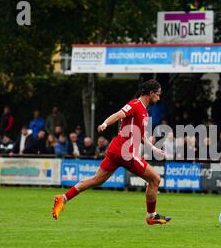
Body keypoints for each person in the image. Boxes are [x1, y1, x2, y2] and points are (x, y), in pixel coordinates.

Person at [51, 79, 171, 225]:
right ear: (151, 93)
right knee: (155, 179)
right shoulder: (135, 104)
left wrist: (153, 149)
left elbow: (141, 136)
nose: (159, 97)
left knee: (97, 179)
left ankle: (62, 198)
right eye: (158, 94)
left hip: (117, 149)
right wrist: (105, 124)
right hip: (124, 151)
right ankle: (151, 216)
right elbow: (118, 114)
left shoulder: (144, 111)